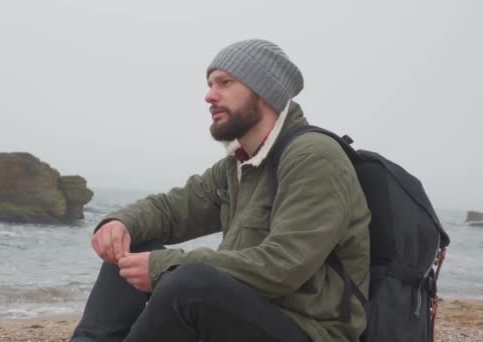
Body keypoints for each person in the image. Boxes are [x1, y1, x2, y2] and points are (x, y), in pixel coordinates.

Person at [71, 39, 371, 342]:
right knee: (133, 244)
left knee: (188, 283)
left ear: (264, 91)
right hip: (248, 314)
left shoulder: (313, 156)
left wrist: (164, 267)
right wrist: (120, 223)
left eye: (225, 83)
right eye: (210, 84)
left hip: (310, 330)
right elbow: (172, 210)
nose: (209, 96)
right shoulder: (238, 165)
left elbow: (283, 266)